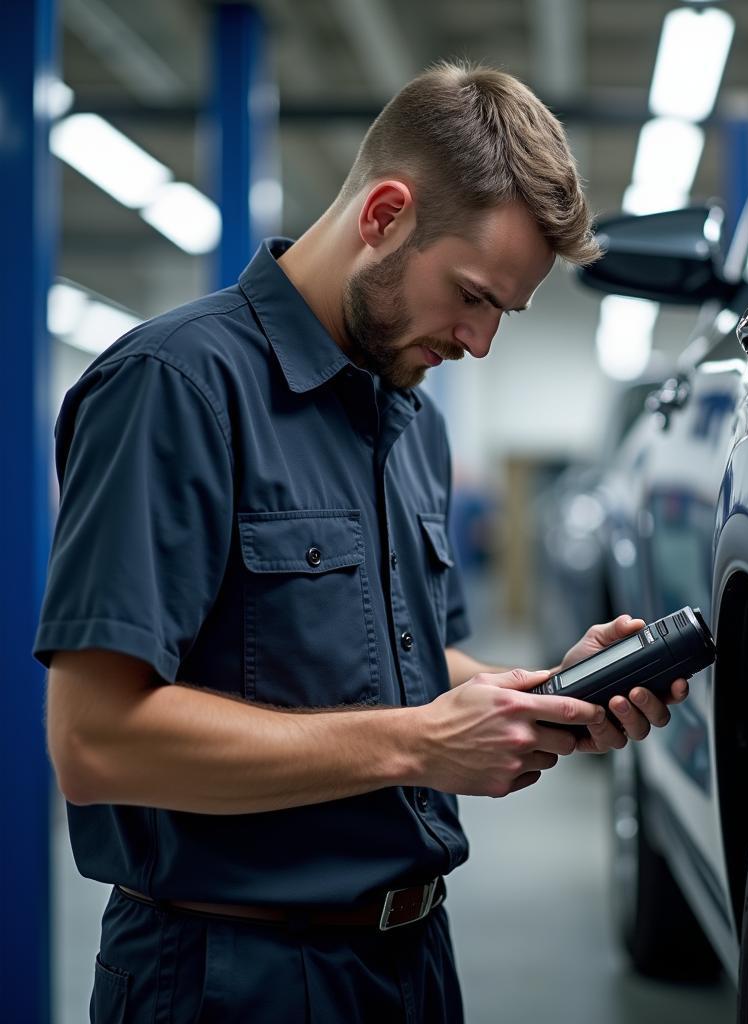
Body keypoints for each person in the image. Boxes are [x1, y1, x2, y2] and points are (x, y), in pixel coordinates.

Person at [36, 62, 690, 1022]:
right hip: (229, 976)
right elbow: (96, 742)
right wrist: (419, 745)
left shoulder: (408, 418)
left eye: (504, 312)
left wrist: (538, 695)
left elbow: (411, 663)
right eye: (471, 295)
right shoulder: (174, 388)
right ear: (384, 214)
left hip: (412, 964)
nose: (479, 342)